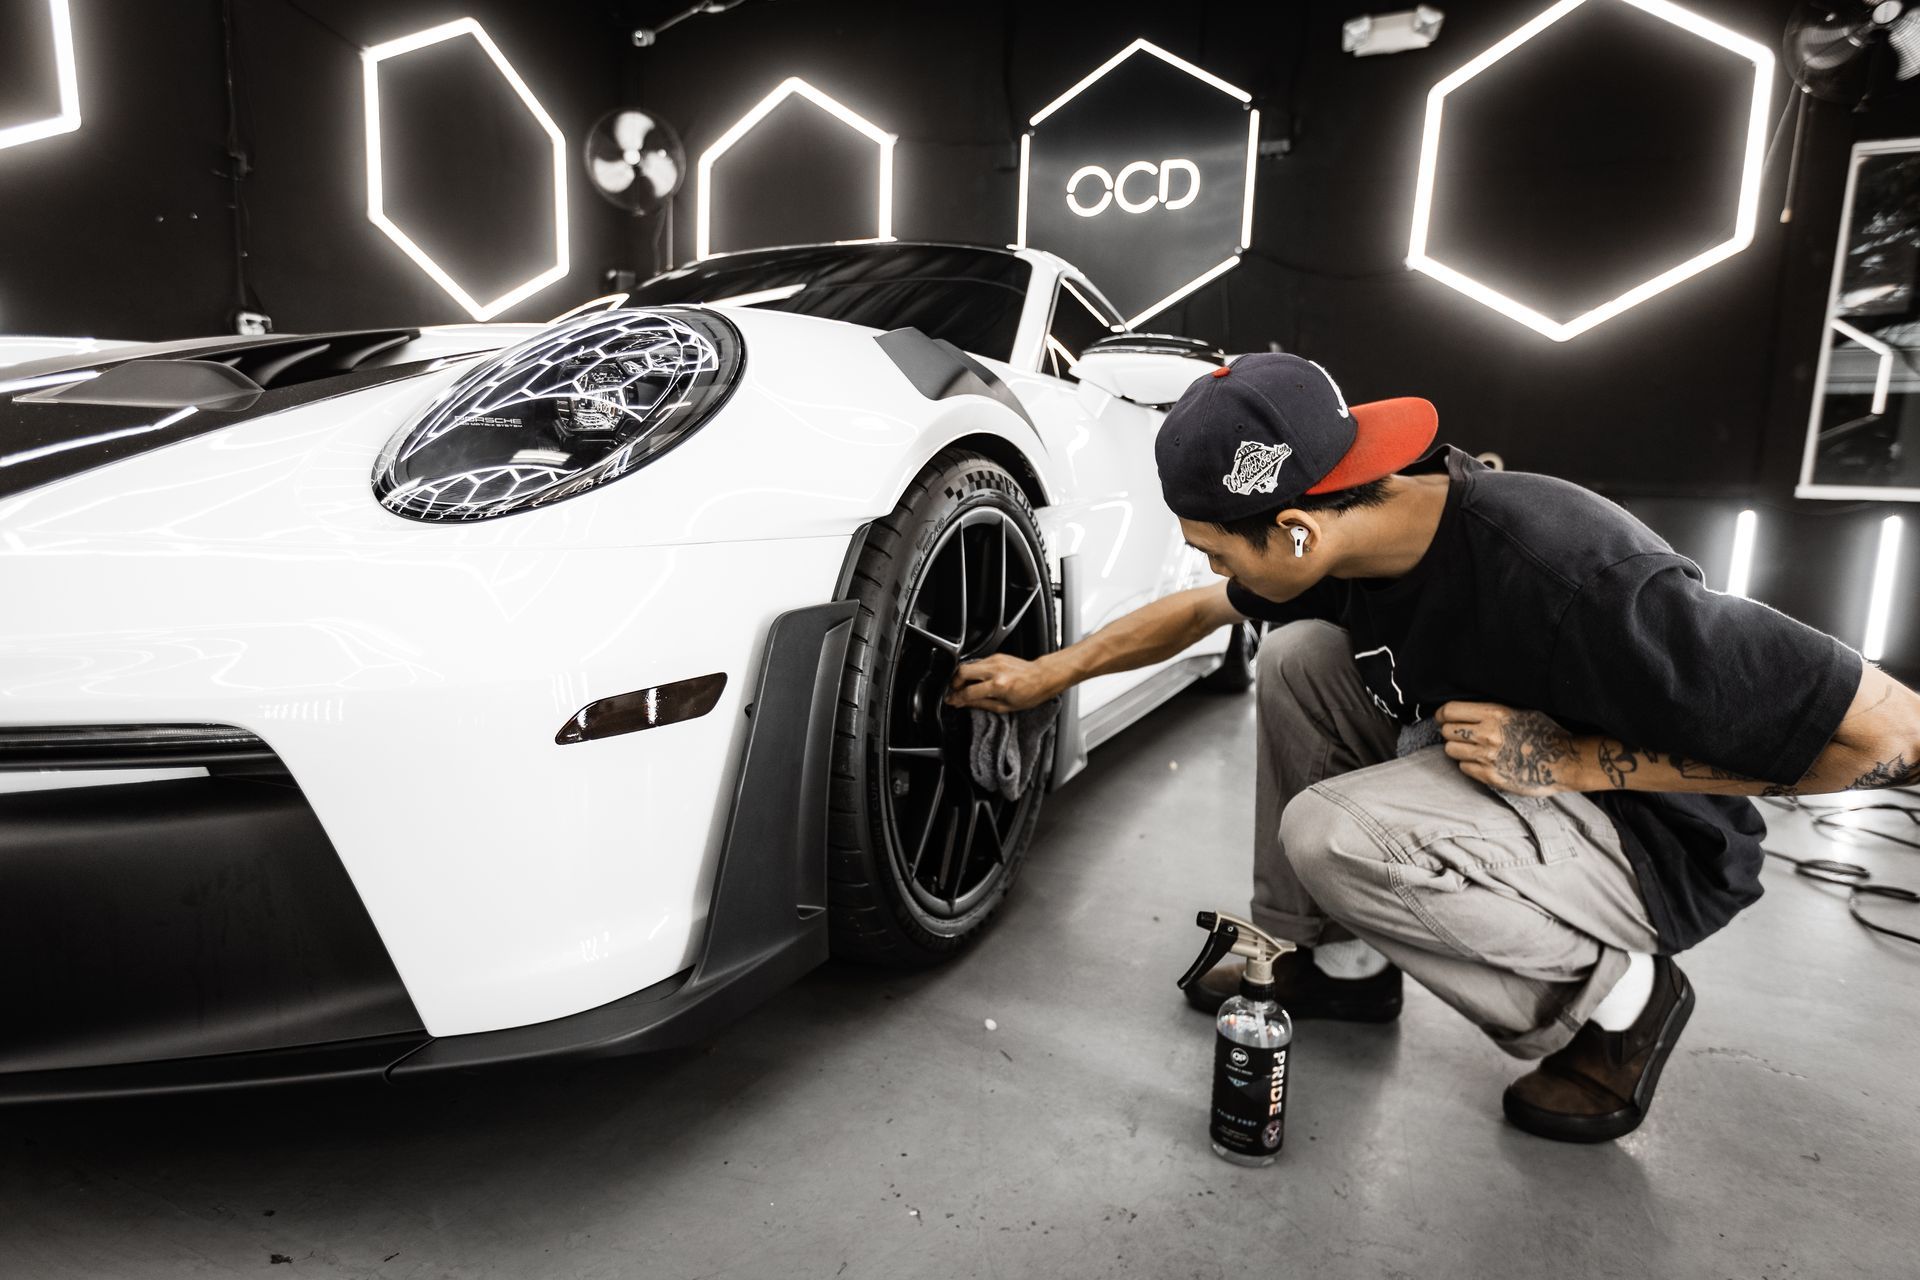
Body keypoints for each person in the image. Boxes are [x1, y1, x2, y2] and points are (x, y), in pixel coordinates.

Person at [946, 352, 1920, 1142]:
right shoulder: (1368, 532)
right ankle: (1340, 965)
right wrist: (1051, 673)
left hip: (1657, 847)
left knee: (1334, 832)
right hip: (1527, 782)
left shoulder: (1580, 576)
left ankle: (1619, 1003)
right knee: (1297, 656)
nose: (1212, 565)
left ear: (1291, 530)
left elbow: (1888, 733)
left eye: (1216, 544)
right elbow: (1206, 610)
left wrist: (1581, 760)